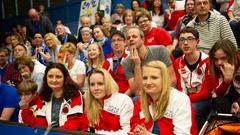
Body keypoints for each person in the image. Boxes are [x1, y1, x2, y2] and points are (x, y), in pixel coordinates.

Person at [129, 61, 197, 135]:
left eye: (154, 78)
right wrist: (137, 130)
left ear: (164, 79)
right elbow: (134, 123)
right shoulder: (142, 99)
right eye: (145, 78)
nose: (148, 82)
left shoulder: (180, 99)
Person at [20, 63, 89, 131]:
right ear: (46, 78)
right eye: (50, 76)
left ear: (65, 78)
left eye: (58, 77)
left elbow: (74, 124)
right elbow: (40, 124)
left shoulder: (75, 94)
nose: (54, 80)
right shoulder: (43, 96)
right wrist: (25, 110)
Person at [189, 39, 240, 130]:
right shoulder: (211, 65)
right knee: (195, 108)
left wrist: (238, 102)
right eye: (216, 59)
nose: (219, 63)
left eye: (223, 58)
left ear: (232, 56)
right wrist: (226, 81)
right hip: (223, 98)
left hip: (237, 99)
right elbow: (210, 93)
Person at [122, 26, 176, 96]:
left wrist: (156, 95)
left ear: (143, 39)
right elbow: (137, 92)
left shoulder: (160, 50)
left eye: (134, 36)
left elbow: (172, 80)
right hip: (144, 97)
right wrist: (137, 65)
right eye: (128, 38)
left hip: (165, 92)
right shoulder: (126, 63)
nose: (131, 39)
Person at [174, 27, 209, 132]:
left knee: (192, 108)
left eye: (190, 39)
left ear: (197, 41)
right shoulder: (177, 62)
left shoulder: (208, 61)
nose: (185, 43)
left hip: (206, 99)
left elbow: (206, 92)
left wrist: (185, 101)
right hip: (187, 98)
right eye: (182, 39)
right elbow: (181, 88)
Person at [85, 68, 133, 134]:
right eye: (92, 84)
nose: (96, 88)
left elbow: (127, 132)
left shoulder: (124, 100)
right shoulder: (89, 101)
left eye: (100, 84)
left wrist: (98, 133)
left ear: (108, 83)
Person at [102, 30, 130, 95]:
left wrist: (123, 98)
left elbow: (134, 83)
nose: (116, 43)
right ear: (111, 44)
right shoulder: (107, 62)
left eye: (119, 40)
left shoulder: (131, 57)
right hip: (111, 96)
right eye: (113, 41)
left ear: (125, 42)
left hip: (129, 95)